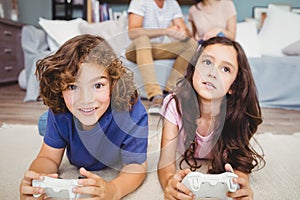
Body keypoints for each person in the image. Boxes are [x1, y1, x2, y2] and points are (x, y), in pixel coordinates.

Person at [19, 34, 149, 200]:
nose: (86, 98)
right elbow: (48, 157)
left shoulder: (132, 112)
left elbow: (136, 166)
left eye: (98, 85)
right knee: (46, 122)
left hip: (98, 117)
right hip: (68, 116)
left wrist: (114, 190)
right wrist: (36, 182)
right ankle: (46, 122)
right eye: (73, 86)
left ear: (113, 84)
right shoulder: (60, 112)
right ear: (60, 88)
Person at [157, 36, 265, 200]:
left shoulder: (238, 114)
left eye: (225, 69)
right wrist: (169, 183)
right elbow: (165, 163)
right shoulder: (174, 104)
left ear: (234, 87)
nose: (212, 73)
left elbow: (240, 161)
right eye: (207, 63)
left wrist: (241, 185)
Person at [125, 0, 198, 114]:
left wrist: (182, 32)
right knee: (142, 39)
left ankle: (169, 92)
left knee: (191, 44)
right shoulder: (139, 2)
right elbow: (133, 32)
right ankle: (156, 96)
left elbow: (187, 33)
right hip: (136, 49)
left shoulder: (172, 4)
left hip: (156, 48)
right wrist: (165, 31)